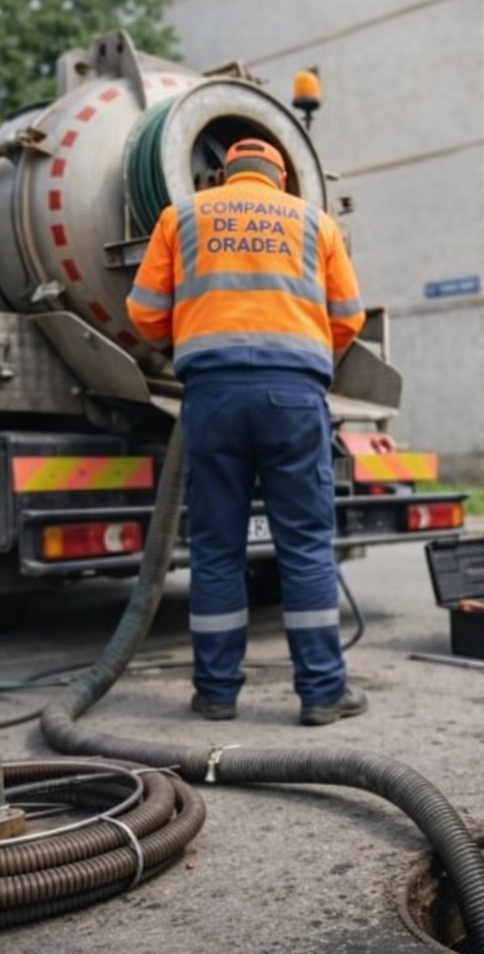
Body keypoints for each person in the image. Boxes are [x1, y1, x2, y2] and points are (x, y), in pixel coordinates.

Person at [126, 138, 368, 726]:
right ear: (280, 179)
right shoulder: (315, 223)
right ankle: (320, 693)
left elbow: (144, 312)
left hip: (211, 395)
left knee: (215, 549)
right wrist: (299, 355)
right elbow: (348, 318)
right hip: (293, 396)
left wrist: (193, 336)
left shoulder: (180, 216)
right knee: (305, 545)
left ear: (221, 175)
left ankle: (215, 692)